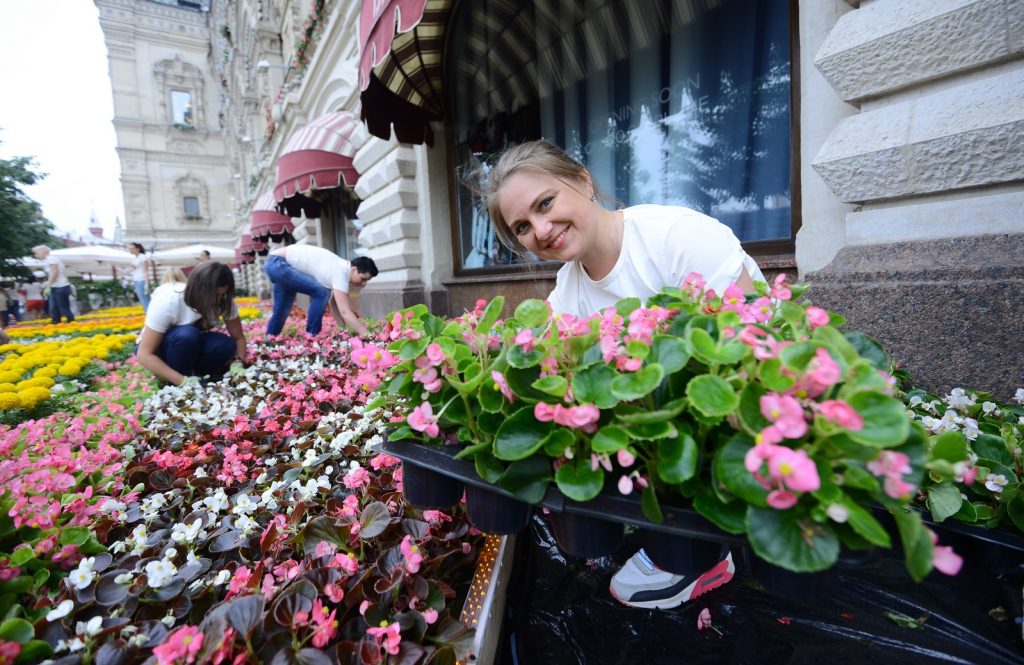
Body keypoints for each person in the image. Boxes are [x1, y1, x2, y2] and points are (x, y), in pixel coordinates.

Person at [484, 139, 766, 611]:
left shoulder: (675, 236)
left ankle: (707, 554)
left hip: (737, 417)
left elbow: (754, 345)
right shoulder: (566, 289)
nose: (541, 229)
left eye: (545, 203)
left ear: (582, 180)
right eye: (522, 227)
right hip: (657, 438)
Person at [136, 261, 246, 387]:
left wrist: (237, 362)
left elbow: (238, 338)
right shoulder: (168, 302)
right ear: (197, 289)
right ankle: (179, 378)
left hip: (189, 346)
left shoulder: (224, 302)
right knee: (187, 334)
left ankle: (195, 374)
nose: (218, 300)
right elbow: (144, 354)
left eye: (222, 295)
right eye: (214, 295)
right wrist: (182, 381)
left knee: (224, 345)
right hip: (158, 349)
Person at [264, 245, 377, 337]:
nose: (363, 283)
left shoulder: (341, 268)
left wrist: (342, 327)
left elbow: (334, 303)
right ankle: (311, 334)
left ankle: (270, 337)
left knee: (283, 308)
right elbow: (345, 311)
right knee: (322, 293)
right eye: (363, 279)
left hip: (273, 262)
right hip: (279, 264)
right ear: (354, 269)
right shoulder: (340, 273)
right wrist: (364, 332)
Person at [32, 245, 74, 324]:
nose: (36, 255)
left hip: (61, 286)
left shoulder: (51, 259)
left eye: (36, 253)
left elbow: (55, 272)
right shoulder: (49, 260)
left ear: (42, 252)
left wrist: (48, 285)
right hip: (55, 287)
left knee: (63, 308)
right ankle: (55, 322)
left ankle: (71, 322)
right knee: (54, 308)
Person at [127, 242, 152, 310]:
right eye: (129, 249)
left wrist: (147, 284)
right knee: (143, 300)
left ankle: (150, 317)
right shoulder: (136, 258)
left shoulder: (142, 257)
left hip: (142, 280)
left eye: (132, 249)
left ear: (138, 249)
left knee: (145, 300)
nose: (131, 251)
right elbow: (133, 270)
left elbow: (145, 271)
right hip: (136, 280)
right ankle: (149, 316)